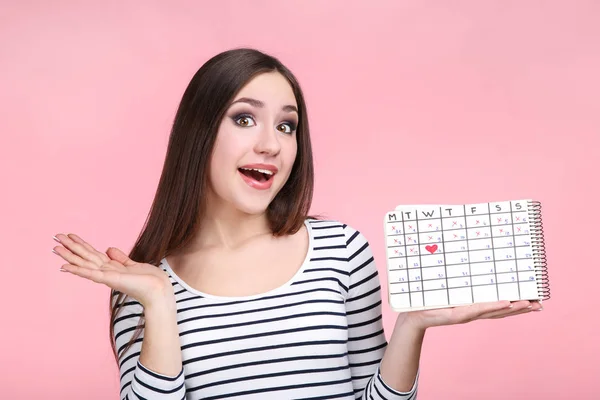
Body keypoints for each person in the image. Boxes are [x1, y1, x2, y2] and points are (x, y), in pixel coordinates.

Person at [52, 48, 542, 399]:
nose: (272, 143)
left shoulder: (341, 251)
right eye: (244, 119)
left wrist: (412, 326)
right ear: (198, 134)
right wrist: (158, 302)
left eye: (287, 126)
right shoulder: (143, 285)